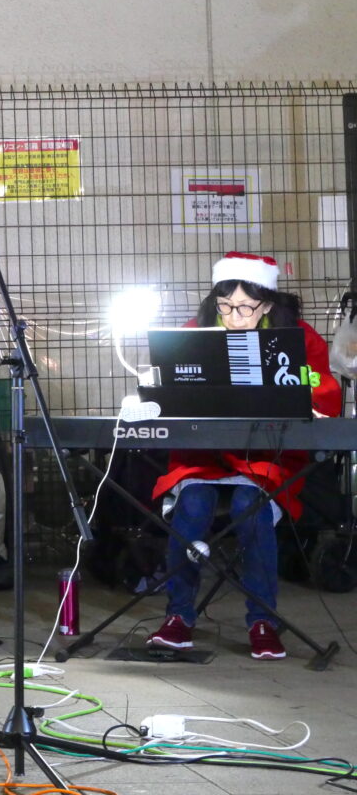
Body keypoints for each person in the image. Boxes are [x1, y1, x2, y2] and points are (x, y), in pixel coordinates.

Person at [147, 252, 340, 660]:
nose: (234, 316)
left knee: (249, 505)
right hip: (204, 453)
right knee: (193, 505)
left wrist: (306, 396)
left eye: (246, 307)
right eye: (226, 305)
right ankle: (178, 617)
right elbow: (168, 385)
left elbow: (325, 391)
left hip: (265, 455)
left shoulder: (297, 337)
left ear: (267, 304)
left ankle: (262, 620)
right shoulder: (196, 331)